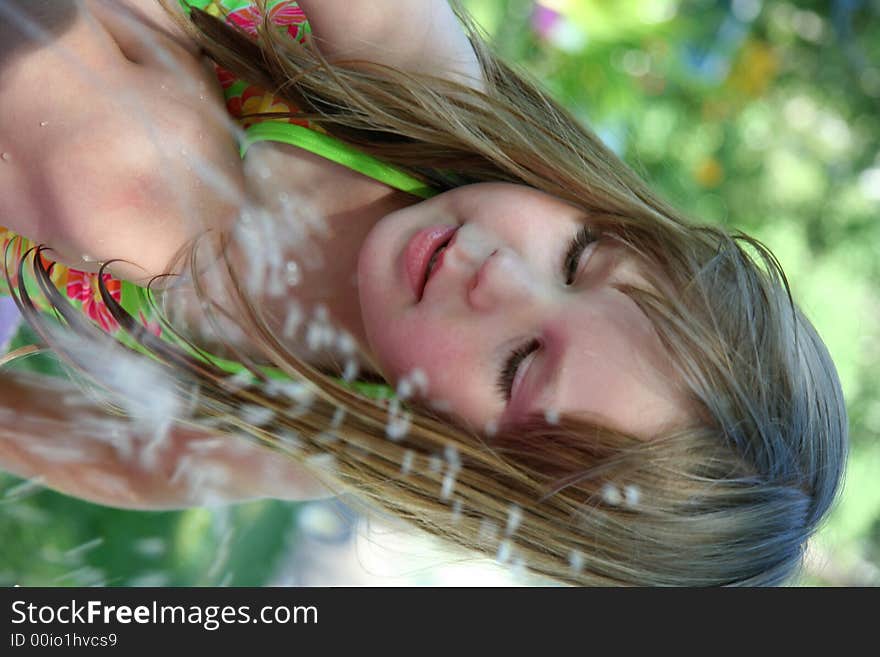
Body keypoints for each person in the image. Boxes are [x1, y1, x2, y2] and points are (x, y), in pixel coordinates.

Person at [0, 0, 847, 586]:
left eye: (521, 364)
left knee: (126, 189)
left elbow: (143, 469)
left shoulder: (293, 407)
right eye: (581, 257)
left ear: (468, 468)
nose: (501, 274)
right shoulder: (429, 105)